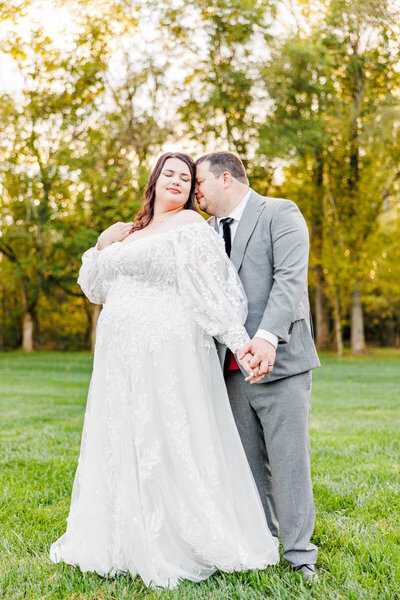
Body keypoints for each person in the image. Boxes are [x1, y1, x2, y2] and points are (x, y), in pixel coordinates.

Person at [50, 152, 279, 589]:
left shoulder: (192, 227)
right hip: (118, 356)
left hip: (168, 349)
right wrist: (103, 241)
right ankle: (120, 533)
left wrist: (239, 342)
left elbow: (213, 291)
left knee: (166, 433)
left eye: (186, 177)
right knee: (123, 436)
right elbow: (96, 288)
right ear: (155, 180)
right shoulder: (128, 232)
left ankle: (176, 536)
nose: (177, 180)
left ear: (193, 189)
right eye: (169, 173)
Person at [195, 151, 321, 582]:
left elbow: (289, 280)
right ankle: (261, 541)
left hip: (281, 363)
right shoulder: (203, 233)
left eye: (200, 183)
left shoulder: (280, 213)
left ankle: (300, 554)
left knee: (288, 461)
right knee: (246, 465)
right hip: (228, 371)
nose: (196, 192)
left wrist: (266, 338)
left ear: (225, 178)